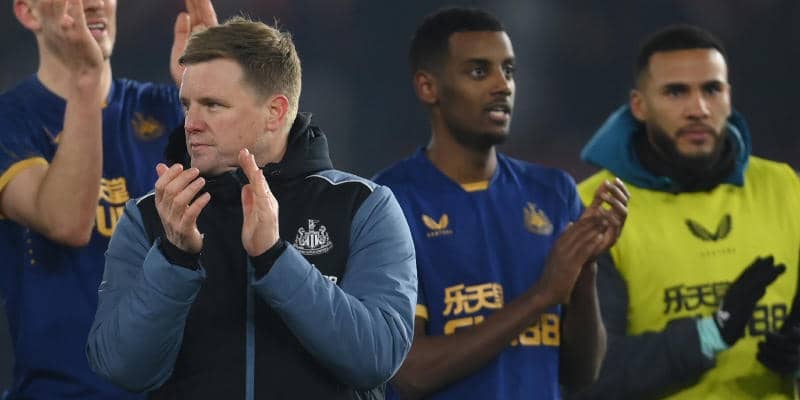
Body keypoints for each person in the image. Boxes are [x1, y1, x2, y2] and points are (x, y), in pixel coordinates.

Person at [86, 16, 418, 400]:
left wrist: (275, 259)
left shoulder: (364, 206)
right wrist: (174, 259)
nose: (190, 123)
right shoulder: (150, 217)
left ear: (274, 112)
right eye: (187, 104)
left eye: (213, 105)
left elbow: (376, 358)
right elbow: (120, 368)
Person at [373, 8, 629, 400]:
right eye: (479, 71)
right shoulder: (389, 202)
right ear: (428, 87)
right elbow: (410, 374)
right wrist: (542, 295)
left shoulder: (554, 193)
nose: (502, 86)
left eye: (508, 70)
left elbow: (581, 372)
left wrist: (585, 268)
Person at [0, 0, 216, 398]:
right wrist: (85, 78)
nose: (96, 4)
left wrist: (210, 95)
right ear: (29, 12)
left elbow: (257, 201)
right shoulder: (10, 122)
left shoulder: (166, 111)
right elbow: (66, 221)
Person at [574, 25, 800, 399]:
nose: (698, 109)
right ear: (639, 106)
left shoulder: (785, 188)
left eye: (712, 89)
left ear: (728, 97)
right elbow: (587, 376)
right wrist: (710, 333)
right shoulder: (594, 207)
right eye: (676, 92)